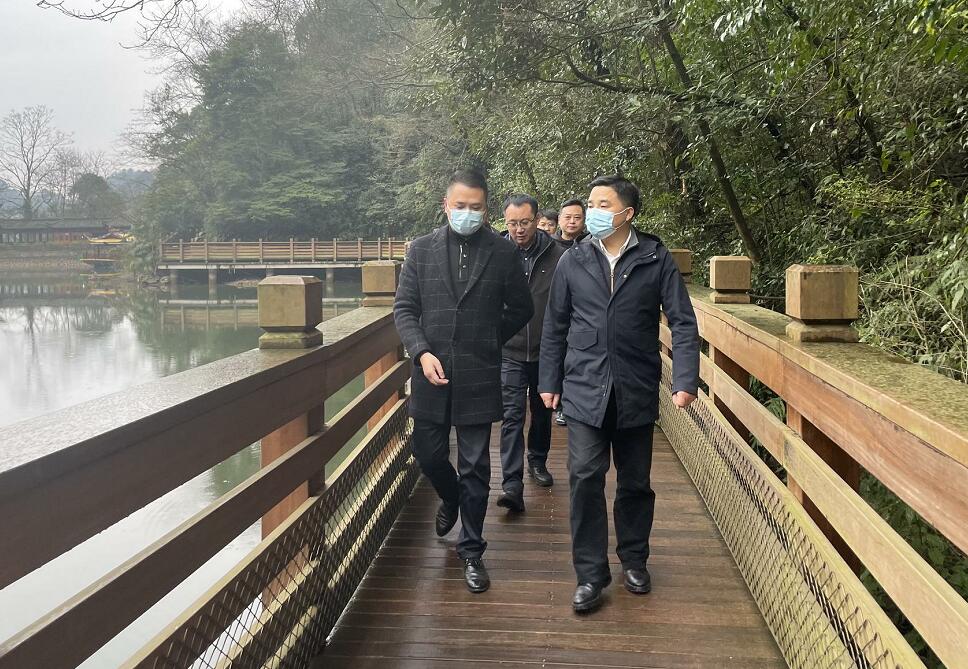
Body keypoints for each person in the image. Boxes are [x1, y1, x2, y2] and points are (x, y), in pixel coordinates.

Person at [539, 174, 699, 613]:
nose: (592, 211)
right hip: (583, 386)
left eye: (602, 204)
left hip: (635, 385)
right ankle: (590, 575)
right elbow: (555, 324)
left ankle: (634, 559)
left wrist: (685, 379)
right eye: (590, 203)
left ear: (627, 213)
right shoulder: (574, 260)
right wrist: (549, 380)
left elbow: (683, 322)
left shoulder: (655, 258)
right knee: (584, 478)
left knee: (635, 482)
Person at [394, 169, 534, 593]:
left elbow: (522, 308)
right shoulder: (421, 250)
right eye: (460, 206)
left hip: (479, 372)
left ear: (486, 210)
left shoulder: (502, 252)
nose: (467, 213)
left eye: (476, 207)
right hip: (430, 371)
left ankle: (472, 550)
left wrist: (489, 339)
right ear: (446, 205)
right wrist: (421, 351)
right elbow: (405, 309)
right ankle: (451, 496)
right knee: (427, 453)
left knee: (475, 465)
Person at [497, 194, 566, 513]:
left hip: (546, 349)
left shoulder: (558, 255)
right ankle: (511, 482)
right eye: (512, 223)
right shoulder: (497, 253)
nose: (519, 229)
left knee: (542, 411)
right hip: (508, 349)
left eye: (525, 222)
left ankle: (537, 460)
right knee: (511, 414)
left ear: (538, 220)